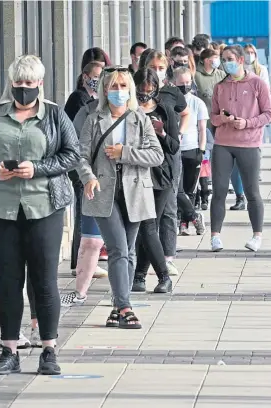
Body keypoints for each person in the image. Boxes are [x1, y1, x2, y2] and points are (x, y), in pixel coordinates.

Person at [0, 55, 80, 375]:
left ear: (40, 84)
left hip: (44, 207)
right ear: (11, 84)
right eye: (19, 83)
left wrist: (38, 168)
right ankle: (9, 351)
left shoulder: (54, 114)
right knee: (8, 281)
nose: (24, 89)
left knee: (44, 280)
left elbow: (72, 154)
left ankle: (48, 349)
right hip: (0, 208)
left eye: (30, 83)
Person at [77, 66, 164, 329]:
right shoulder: (94, 119)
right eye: (113, 86)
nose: (118, 91)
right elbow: (80, 156)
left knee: (128, 251)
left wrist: (125, 153)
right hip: (104, 192)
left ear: (131, 90)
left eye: (123, 86)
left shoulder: (140, 119)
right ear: (105, 90)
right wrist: (88, 177)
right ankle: (125, 307)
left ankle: (117, 306)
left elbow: (156, 155)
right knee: (118, 249)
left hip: (135, 191)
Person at [209, 45, 271, 252]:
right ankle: (215, 236)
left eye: (229, 58)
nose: (225, 62)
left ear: (240, 60)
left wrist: (247, 123)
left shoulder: (257, 83)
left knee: (252, 191)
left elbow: (269, 114)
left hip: (249, 143)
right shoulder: (220, 86)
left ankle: (257, 235)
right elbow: (213, 116)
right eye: (223, 58)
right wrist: (222, 119)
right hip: (223, 144)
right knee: (218, 190)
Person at [140, 49, 191, 270]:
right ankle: (142, 260)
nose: (157, 72)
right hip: (141, 156)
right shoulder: (137, 91)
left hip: (168, 152)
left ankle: (167, 257)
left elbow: (187, 112)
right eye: (153, 68)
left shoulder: (171, 92)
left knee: (169, 206)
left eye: (161, 68)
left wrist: (178, 132)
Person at [131, 67, 180, 293]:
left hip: (161, 176)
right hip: (136, 175)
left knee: (149, 225)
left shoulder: (165, 109)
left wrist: (160, 133)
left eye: (149, 92)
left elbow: (173, 146)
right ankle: (141, 276)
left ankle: (158, 276)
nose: (145, 96)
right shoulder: (128, 110)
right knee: (146, 226)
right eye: (141, 91)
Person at [70, 48, 112, 275]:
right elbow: (73, 133)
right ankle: (83, 261)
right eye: (95, 78)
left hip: (98, 169)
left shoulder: (99, 101)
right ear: (86, 77)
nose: (98, 82)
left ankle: (88, 260)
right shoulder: (79, 100)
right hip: (82, 167)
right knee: (84, 212)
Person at [230, 43, 271, 210]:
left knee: (249, 165)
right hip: (232, 128)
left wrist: (251, 122)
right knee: (234, 164)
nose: (248, 55)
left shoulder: (260, 74)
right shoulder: (228, 77)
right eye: (246, 53)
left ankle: (250, 194)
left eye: (251, 52)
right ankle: (240, 196)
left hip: (253, 127)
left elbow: (267, 107)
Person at [174, 67, 207, 236]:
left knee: (190, 189)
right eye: (181, 83)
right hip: (175, 151)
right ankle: (194, 217)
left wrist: (201, 150)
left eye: (188, 82)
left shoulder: (197, 103)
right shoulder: (170, 101)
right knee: (177, 190)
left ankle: (185, 223)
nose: (185, 86)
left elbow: (202, 129)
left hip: (192, 149)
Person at [195, 48, 226, 134]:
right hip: (204, 116)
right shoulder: (196, 75)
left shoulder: (221, 74)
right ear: (207, 60)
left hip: (220, 115)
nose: (218, 60)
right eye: (215, 57)